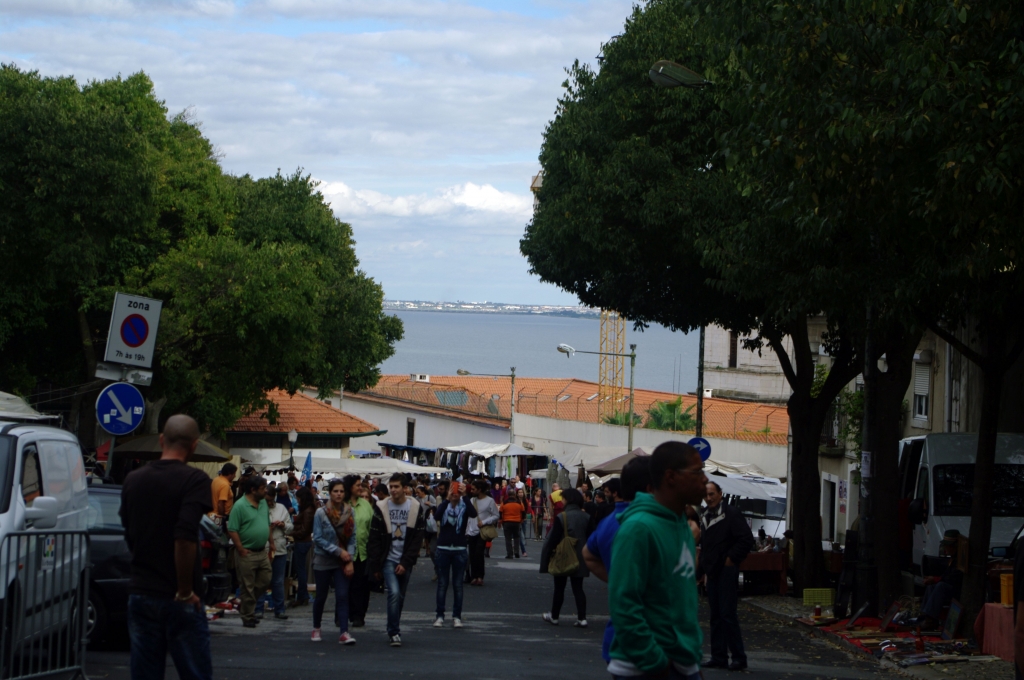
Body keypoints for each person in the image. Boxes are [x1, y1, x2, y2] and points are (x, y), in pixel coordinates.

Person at [120, 414, 213, 680]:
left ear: (162, 440)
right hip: (179, 596)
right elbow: (184, 536)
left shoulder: (133, 480)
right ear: (194, 445)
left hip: (142, 589)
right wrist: (184, 590)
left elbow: (129, 531)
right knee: (195, 672)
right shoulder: (195, 480)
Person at [607, 441, 707, 680]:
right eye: (697, 472)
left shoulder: (681, 523)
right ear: (670, 477)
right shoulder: (638, 528)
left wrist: (691, 662)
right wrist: (654, 660)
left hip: (683, 663)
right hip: (645, 668)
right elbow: (624, 604)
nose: (704, 479)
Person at [582, 457, 652, 665]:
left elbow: (588, 554)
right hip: (648, 641)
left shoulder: (610, 521)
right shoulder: (644, 523)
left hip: (623, 637)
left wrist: (615, 579)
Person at [367, 473, 427, 647]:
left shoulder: (415, 507)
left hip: (405, 558)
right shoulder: (381, 507)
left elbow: (417, 538)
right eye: (391, 487)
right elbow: (374, 538)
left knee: (400, 596)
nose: (393, 490)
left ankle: (394, 626)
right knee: (393, 592)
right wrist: (375, 565)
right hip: (388, 558)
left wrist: (405, 562)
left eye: (396, 487)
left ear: (405, 488)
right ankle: (394, 632)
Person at [700, 480, 754, 671]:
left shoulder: (731, 513)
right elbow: (706, 546)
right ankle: (718, 656)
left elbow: (746, 539)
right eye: (706, 495)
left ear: (720, 494)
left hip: (726, 570)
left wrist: (731, 559)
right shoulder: (705, 515)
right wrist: (705, 570)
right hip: (713, 570)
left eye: (712, 494)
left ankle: (739, 657)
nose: (709, 498)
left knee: (727, 614)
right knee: (715, 615)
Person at [311, 478, 357, 644]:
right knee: (321, 596)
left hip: (341, 562)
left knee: (342, 596)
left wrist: (349, 558)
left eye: (341, 491)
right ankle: (316, 627)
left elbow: (352, 537)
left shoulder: (350, 512)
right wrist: (339, 551)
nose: (338, 494)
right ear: (330, 493)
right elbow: (318, 538)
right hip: (323, 560)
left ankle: (344, 632)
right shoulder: (321, 513)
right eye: (335, 491)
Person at [540, 488, 591, 627]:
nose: (561, 501)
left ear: (568, 500)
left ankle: (555, 616)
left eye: (563, 498)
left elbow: (554, 538)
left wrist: (548, 556)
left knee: (559, 587)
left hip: (563, 555)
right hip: (581, 555)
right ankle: (582, 618)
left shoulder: (562, 517)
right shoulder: (586, 517)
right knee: (578, 587)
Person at [226, 475, 272, 628]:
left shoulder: (263, 503)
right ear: (253, 490)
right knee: (247, 585)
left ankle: (247, 605)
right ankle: (248, 616)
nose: (266, 491)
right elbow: (232, 529)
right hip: (247, 552)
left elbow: (267, 523)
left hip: (261, 551)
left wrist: (271, 543)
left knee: (265, 580)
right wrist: (240, 548)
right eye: (263, 488)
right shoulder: (239, 506)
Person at [433, 482, 477, 628]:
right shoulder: (444, 505)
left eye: (457, 491)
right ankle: (439, 616)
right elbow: (437, 516)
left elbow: (473, 514)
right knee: (442, 584)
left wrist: (465, 496)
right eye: (453, 491)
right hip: (443, 548)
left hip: (459, 548)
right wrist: (447, 499)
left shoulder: (464, 506)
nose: (455, 494)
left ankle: (456, 616)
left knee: (458, 585)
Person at [917, 530, 965, 630]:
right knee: (931, 587)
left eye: (949, 546)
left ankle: (930, 620)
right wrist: (933, 579)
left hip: (957, 589)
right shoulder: (952, 558)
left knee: (940, 586)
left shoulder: (960, 559)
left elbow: (954, 578)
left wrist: (936, 579)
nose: (947, 549)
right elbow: (946, 575)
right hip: (950, 586)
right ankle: (925, 616)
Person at [344, 475, 374, 628]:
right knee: (346, 585)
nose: (360, 488)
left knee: (361, 585)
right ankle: (344, 614)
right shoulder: (343, 505)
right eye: (357, 485)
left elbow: (371, 527)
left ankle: (359, 615)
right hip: (346, 552)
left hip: (363, 551)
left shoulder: (366, 505)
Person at [261, 484, 293, 620]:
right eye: (267, 500)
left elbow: (290, 527)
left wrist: (283, 525)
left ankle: (279, 609)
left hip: (279, 549)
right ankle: (258, 609)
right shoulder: (259, 508)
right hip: (263, 548)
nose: (269, 503)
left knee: (278, 581)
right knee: (262, 580)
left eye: (271, 500)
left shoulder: (281, 508)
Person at [466, 480, 499, 586]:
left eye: (473, 489)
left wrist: (484, 522)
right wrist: (467, 530)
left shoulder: (489, 501)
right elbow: (468, 516)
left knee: (479, 553)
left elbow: (496, 515)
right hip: (471, 530)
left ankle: (480, 576)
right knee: (472, 554)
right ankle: (474, 576)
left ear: (479, 490)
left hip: (482, 531)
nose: (471, 491)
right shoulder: (472, 500)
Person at [289, 487, 315, 606]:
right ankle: (302, 595)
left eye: (298, 498)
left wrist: (291, 533)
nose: (297, 500)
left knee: (301, 570)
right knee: (301, 570)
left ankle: (302, 595)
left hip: (303, 541)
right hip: (303, 541)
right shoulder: (308, 509)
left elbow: (305, 530)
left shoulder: (308, 510)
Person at [500, 490, 525, 559]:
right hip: (517, 522)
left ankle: (510, 554)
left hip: (507, 522)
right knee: (517, 537)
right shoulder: (519, 503)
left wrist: (501, 521)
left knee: (508, 538)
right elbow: (523, 512)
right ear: (515, 495)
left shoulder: (504, 503)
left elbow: (500, 513)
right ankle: (516, 552)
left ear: (508, 495)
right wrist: (521, 520)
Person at [515, 487, 530, 556]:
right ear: (517, 494)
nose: (521, 494)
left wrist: (531, 514)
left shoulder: (525, 500)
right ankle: (523, 550)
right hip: (518, 520)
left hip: (524, 519)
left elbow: (528, 509)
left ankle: (517, 546)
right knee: (521, 535)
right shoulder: (516, 500)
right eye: (519, 492)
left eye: (522, 492)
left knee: (523, 533)